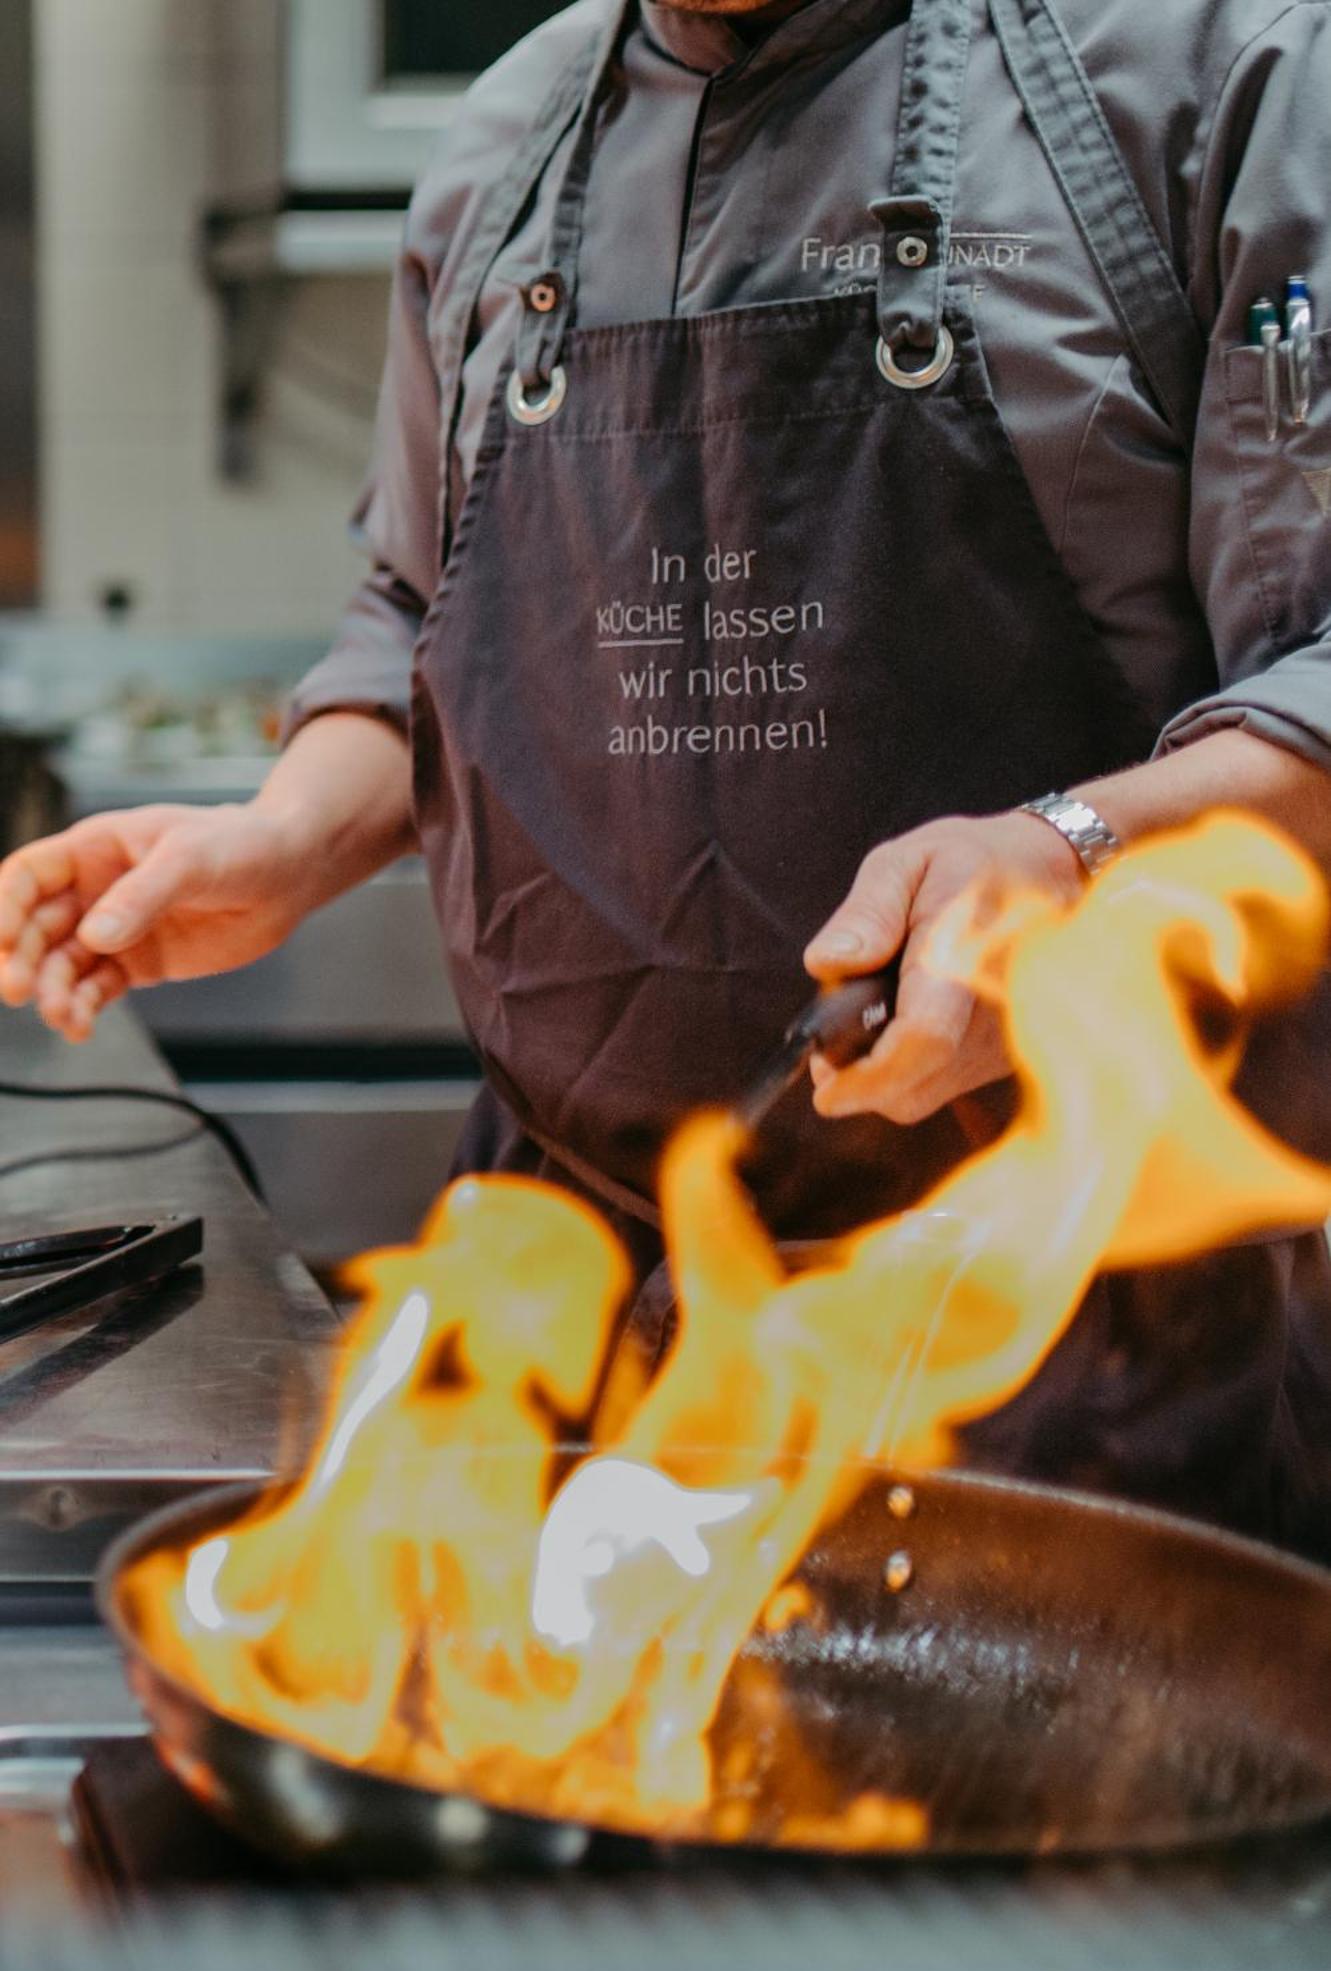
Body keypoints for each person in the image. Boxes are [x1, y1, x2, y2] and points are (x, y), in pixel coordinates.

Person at [5, 0, 1331, 1550]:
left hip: (1080, 1387)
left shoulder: (1219, 70)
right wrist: (286, 836)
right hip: (572, 1381)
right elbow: (412, 616)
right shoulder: (506, 143)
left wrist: (1075, 851)